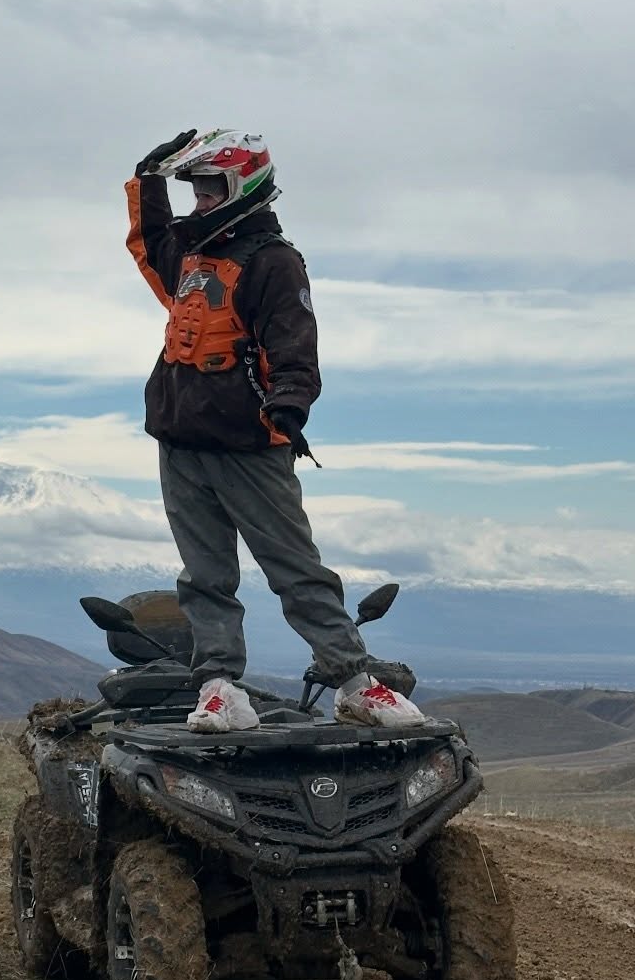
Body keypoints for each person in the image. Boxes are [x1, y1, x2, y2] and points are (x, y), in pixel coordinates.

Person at [126, 127, 423, 731]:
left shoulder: (274, 262)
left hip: (248, 441)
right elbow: (148, 241)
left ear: (243, 186)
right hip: (181, 438)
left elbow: (295, 338)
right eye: (197, 188)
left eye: (211, 187)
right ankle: (218, 686)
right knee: (205, 574)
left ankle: (353, 681)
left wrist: (289, 402)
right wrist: (149, 180)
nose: (201, 199)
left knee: (294, 566)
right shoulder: (191, 255)